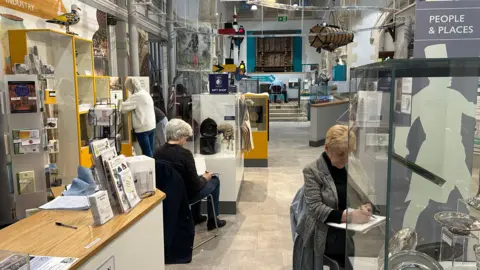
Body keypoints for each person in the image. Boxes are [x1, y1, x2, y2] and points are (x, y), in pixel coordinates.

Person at [291, 125, 372, 270]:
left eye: (349, 154)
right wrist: (351, 216)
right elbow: (317, 209)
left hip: (345, 231)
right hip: (321, 232)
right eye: (341, 154)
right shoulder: (312, 171)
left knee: (348, 251)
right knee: (343, 252)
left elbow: (366, 193)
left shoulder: (353, 166)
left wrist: (366, 206)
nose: (346, 159)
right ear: (327, 149)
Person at [155, 119, 226, 230]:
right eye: (185, 137)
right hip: (185, 196)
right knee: (215, 180)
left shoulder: (157, 152)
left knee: (196, 179)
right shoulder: (185, 154)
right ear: (181, 135)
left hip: (167, 195)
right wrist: (205, 178)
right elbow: (196, 186)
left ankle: (196, 216)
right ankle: (213, 220)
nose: (185, 141)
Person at [121, 77, 156, 157]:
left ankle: (149, 168)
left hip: (143, 129)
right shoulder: (145, 93)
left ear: (131, 87)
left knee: (147, 153)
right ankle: (153, 167)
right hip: (151, 126)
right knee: (151, 151)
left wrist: (117, 103)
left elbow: (123, 108)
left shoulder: (136, 96)